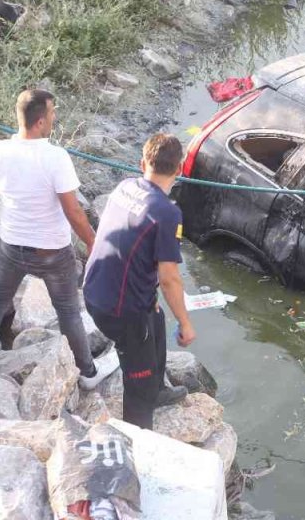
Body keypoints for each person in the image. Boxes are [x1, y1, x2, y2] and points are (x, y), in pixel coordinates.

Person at [0, 88, 118, 389]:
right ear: (39, 122)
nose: (55, 116)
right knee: (68, 311)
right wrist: (94, 242)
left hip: (10, 246)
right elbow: (73, 211)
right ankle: (87, 373)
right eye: (52, 113)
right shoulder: (55, 157)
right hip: (51, 252)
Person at [84, 134, 196, 428]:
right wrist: (185, 323)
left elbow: (128, 243)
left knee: (155, 319)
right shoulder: (167, 213)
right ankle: (138, 437)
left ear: (142, 163)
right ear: (180, 169)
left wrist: (149, 292)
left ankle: (158, 389)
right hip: (119, 311)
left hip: (96, 288)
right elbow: (170, 278)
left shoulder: (125, 186)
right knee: (138, 386)